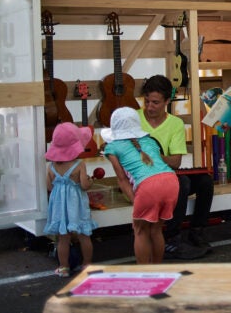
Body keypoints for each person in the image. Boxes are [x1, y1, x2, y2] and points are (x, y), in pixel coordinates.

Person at [139, 75, 212, 260]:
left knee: (205, 181)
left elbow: (176, 162)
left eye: (155, 102)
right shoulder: (134, 118)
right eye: (146, 101)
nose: (149, 107)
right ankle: (171, 239)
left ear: (167, 101)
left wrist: (152, 155)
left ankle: (197, 233)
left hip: (165, 176)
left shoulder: (175, 123)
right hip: (142, 180)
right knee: (182, 182)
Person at [102, 107, 179, 264]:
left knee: (140, 231)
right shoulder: (150, 141)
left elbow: (122, 179)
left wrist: (133, 199)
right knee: (156, 230)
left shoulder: (112, 148)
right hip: (171, 180)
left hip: (148, 186)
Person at [44, 122, 98, 277]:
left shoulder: (51, 166)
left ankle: (64, 267)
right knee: (83, 235)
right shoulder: (79, 165)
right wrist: (91, 181)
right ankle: (86, 264)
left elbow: (49, 187)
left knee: (63, 238)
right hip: (77, 205)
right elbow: (85, 185)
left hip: (59, 206)